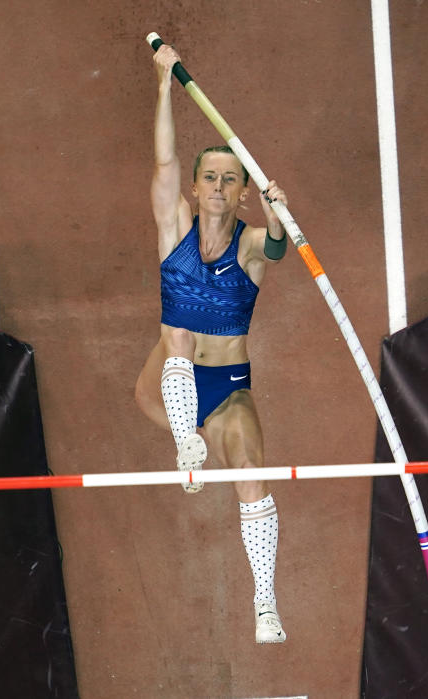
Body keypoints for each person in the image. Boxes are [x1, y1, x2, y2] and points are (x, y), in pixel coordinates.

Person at [134, 43, 290, 644]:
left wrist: (278, 218)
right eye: (210, 177)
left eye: (231, 179)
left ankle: (265, 601)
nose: (219, 186)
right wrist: (164, 83)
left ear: (242, 191)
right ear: (196, 188)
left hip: (225, 391)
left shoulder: (250, 241)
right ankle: (184, 445)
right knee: (176, 337)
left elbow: (274, 249)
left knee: (252, 470)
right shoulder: (172, 221)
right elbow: (164, 158)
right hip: (165, 387)